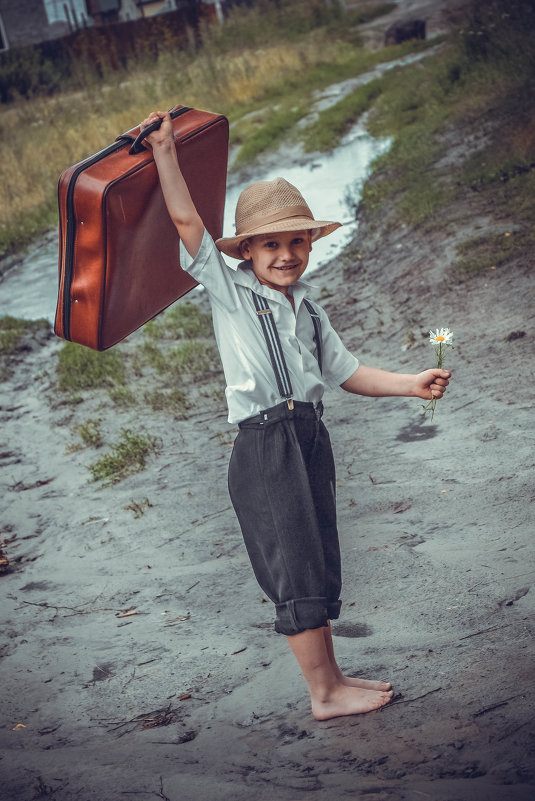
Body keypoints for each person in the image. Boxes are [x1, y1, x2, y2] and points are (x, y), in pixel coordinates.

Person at [140, 110, 451, 721]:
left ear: (311, 244)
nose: (286, 255)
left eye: (296, 241)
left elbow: (347, 373)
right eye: (271, 244)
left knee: (315, 555)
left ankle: (332, 677)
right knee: (291, 562)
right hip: (264, 444)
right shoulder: (230, 292)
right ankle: (323, 695)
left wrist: (412, 384)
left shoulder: (307, 309)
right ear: (247, 251)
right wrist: (164, 154)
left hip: (308, 436)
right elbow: (185, 221)